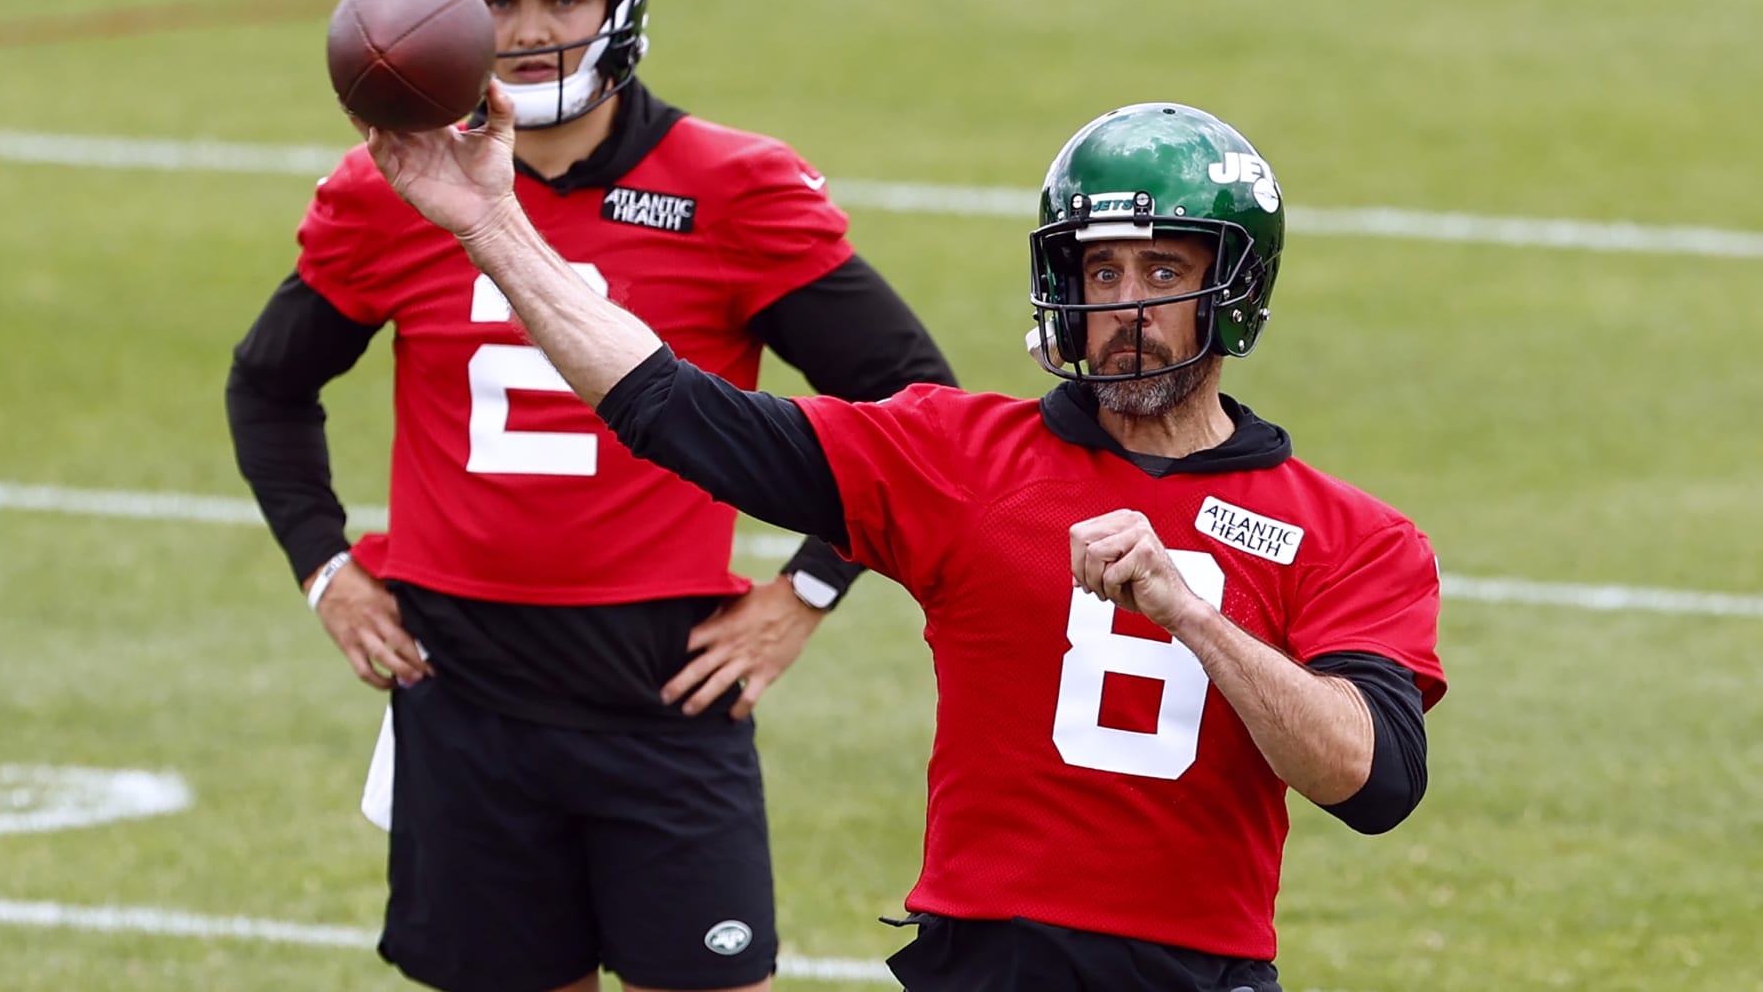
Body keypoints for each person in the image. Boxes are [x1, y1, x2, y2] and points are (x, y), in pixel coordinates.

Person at [362, 89, 1449, 992]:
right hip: (979, 960)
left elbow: (1372, 779)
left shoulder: (1351, 534)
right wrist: (491, 226)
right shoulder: (956, 452)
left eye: (1162, 271)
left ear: (1234, 288)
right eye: (1098, 270)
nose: (1125, 305)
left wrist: (1190, 613)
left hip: (1195, 972)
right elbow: (671, 406)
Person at [225, 0, 956, 992]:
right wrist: (327, 567)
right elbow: (268, 382)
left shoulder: (733, 186)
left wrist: (807, 587)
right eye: (498, 1)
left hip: (660, 682)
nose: (526, 32)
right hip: (457, 682)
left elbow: (916, 409)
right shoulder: (389, 188)